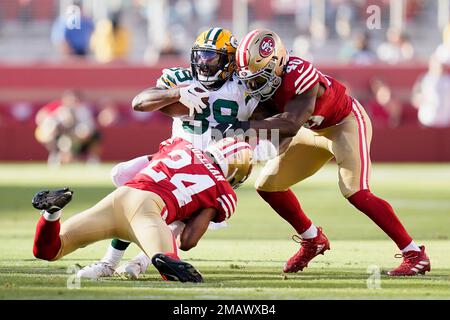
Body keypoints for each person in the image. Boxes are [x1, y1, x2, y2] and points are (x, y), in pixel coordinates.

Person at [214, 29, 430, 276]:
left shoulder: (300, 74)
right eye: (250, 80)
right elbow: (275, 130)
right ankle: (312, 239)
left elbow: (290, 123)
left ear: (278, 63)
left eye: (259, 78)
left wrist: (241, 128)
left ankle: (414, 254)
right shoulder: (265, 84)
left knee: (356, 192)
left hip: (343, 124)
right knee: (268, 185)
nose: (254, 86)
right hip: (311, 130)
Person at [77, 27, 264, 279]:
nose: (204, 64)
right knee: (126, 188)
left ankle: (126, 262)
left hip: (213, 169)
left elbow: (270, 117)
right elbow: (140, 101)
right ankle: (122, 263)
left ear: (229, 61)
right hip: (174, 157)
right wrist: (177, 93)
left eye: (212, 58)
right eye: (200, 56)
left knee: (170, 218)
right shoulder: (183, 79)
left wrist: (256, 142)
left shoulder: (245, 87)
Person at [32, 137, 253, 283]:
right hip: (148, 212)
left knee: (50, 250)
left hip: (120, 197)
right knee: (168, 263)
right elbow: (188, 241)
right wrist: (190, 213)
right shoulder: (222, 191)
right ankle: (138, 263)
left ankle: (52, 213)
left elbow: (122, 172)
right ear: (236, 171)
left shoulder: (181, 146)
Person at [411, 55, 450, 128]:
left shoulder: (448, 79)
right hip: (428, 121)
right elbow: (415, 100)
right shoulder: (424, 79)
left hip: (446, 122)